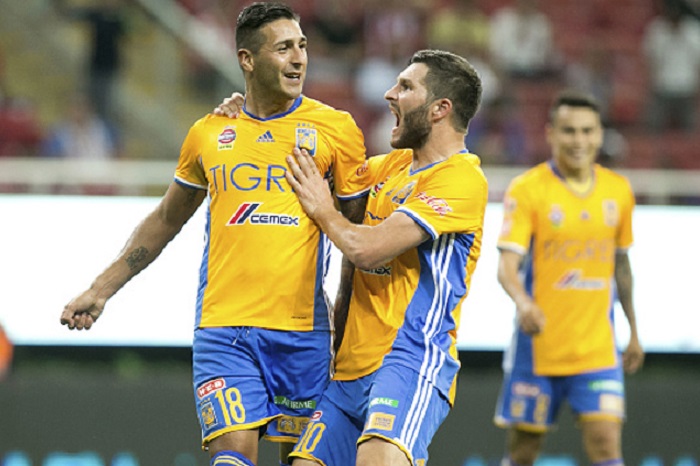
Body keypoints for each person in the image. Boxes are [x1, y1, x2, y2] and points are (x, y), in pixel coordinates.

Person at [59, 3, 368, 466]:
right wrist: (101, 288)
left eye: (302, 46)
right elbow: (167, 218)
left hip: (303, 332)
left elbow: (356, 234)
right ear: (247, 59)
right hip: (224, 331)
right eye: (283, 48)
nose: (299, 58)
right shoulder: (209, 133)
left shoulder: (336, 129)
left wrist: (347, 322)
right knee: (232, 458)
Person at [285, 50, 487, 466]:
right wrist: (249, 111)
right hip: (349, 370)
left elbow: (367, 249)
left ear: (440, 109)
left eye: (406, 86)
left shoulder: (462, 179)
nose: (389, 93)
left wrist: (323, 210)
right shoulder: (390, 167)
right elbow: (310, 161)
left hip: (409, 359)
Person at [493, 90, 645, 466]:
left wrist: (634, 330)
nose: (579, 141)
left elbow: (621, 266)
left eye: (587, 131)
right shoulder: (527, 189)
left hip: (597, 350)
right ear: (551, 134)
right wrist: (523, 303)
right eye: (569, 131)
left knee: (606, 444)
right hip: (538, 350)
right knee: (524, 451)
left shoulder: (618, 191)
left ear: (600, 134)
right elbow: (507, 266)